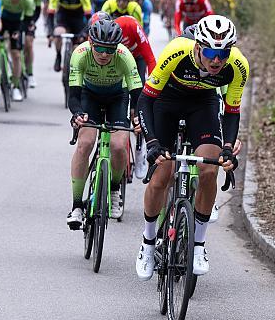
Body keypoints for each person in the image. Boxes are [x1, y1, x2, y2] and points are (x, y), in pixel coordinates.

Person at [134, 15, 249, 279]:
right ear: (197, 46)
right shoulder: (176, 51)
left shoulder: (238, 65)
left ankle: (198, 245)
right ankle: (148, 243)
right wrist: (152, 142)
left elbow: (231, 111)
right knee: (162, 174)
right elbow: (145, 101)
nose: (217, 60)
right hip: (167, 101)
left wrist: (228, 148)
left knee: (210, 169)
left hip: (203, 104)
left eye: (223, 53)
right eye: (210, 52)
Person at [66, 19, 143, 227]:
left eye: (109, 49)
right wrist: (78, 114)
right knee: (85, 143)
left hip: (118, 96)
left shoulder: (125, 57)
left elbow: (137, 94)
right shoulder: (80, 54)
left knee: (119, 145)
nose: (104, 54)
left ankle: (115, 188)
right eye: (99, 48)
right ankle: (76, 205)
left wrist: (137, 117)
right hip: (89, 96)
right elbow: (73, 96)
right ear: (91, 43)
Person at [47, 0, 92, 72]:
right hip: (63, 16)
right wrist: (50, 32)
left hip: (78, 18)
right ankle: (58, 56)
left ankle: (75, 66)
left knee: (78, 45)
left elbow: (89, 17)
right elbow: (50, 15)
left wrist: (84, 33)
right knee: (58, 33)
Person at [0, 0, 36, 101]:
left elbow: (27, 20)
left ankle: (15, 86)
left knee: (15, 54)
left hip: (17, 23)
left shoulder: (28, 0)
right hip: (3, 20)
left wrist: (18, 32)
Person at [23, 0, 44, 88]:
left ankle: (30, 73)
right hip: (18, 17)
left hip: (30, 17)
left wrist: (32, 23)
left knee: (29, 43)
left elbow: (37, 11)